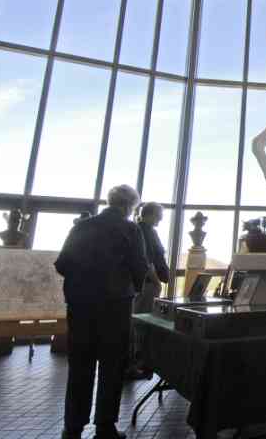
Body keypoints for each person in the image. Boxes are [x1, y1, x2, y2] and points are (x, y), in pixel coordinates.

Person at [55, 185, 148, 439]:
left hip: (81, 304)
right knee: (112, 366)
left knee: (80, 365)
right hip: (115, 305)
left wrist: (82, 282)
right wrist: (132, 288)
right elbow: (139, 267)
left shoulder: (81, 227)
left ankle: (72, 426)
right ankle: (105, 426)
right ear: (130, 206)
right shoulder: (130, 229)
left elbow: (62, 264)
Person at [126, 202, 170, 380]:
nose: (161, 218)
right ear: (152, 214)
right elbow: (146, 260)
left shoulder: (145, 230)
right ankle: (137, 360)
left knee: (140, 319)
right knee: (141, 320)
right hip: (147, 283)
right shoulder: (143, 231)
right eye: (159, 214)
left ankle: (137, 359)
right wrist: (156, 280)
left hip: (146, 282)